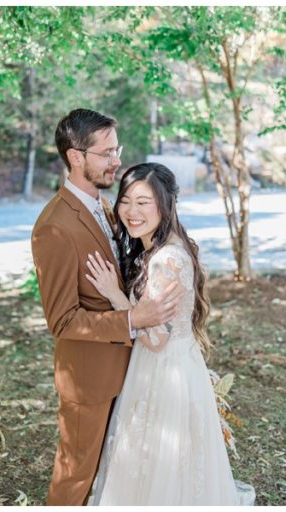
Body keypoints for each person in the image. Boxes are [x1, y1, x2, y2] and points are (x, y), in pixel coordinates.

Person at [30, 108, 182, 505]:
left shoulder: (105, 208)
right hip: (89, 377)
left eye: (118, 150)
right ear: (76, 157)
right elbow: (61, 320)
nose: (117, 160)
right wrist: (132, 318)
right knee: (75, 476)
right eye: (107, 153)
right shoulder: (55, 226)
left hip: (132, 369)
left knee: (112, 470)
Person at [83, 163, 255, 505]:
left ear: (166, 205)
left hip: (163, 373)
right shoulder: (164, 247)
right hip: (173, 365)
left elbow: (156, 338)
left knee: (158, 467)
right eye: (126, 200)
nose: (132, 212)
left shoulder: (166, 260)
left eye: (144, 202)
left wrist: (114, 295)